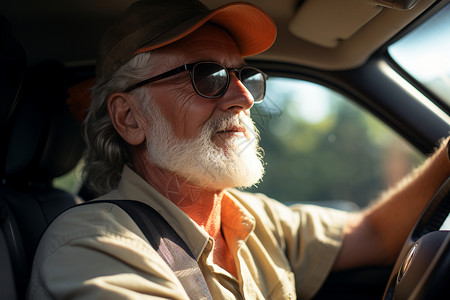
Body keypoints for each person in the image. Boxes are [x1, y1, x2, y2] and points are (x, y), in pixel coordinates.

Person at [27, 0, 450, 299]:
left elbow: (373, 235)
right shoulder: (93, 245)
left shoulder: (251, 218)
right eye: (207, 76)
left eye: (243, 74)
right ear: (130, 119)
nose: (244, 97)